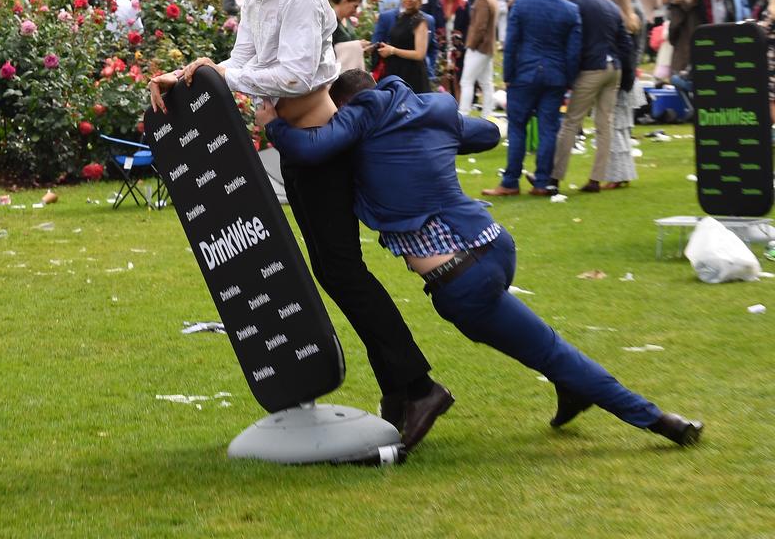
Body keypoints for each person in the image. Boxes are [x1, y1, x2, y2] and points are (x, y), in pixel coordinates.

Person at [258, 69, 704, 448]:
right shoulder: (428, 109)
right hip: (493, 244)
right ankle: (571, 389)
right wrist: (438, 132)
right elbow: (488, 133)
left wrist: (272, 124)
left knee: (547, 347)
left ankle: (659, 420)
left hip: (460, 277)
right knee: (532, 339)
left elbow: (310, 148)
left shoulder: (361, 121)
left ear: (349, 107)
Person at [150, 0, 445, 451]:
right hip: (296, 144)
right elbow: (241, 60)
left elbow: (295, 73)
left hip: (321, 145)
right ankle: (402, 388)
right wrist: (187, 73)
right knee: (335, 273)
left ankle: (419, 385)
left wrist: (224, 76)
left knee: (342, 271)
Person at [483, 0, 581, 197]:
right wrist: (568, 78)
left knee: (517, 128)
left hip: (524, 74)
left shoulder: (524, 3)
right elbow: (573, 50)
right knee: (548, 129)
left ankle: (510, 181)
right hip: (555, 75)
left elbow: (512, 41)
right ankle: (542, 181)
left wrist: (508, 75)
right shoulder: (570, 9)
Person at [549, 0, 634, 194]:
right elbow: (625, 44)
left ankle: (554, 177)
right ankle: (596, 178)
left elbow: (573, 41)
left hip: (591, 68)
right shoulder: (611, 6)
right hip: (614, 68)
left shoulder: (576, 4)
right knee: (604, 125)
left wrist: (569, 75)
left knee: (571, 122)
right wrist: (628, 77)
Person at [603, 0, 647, 189]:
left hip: (621, 79)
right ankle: (623, 173)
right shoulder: (635, 19)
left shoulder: (617, 22)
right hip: (631, 78)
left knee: (614, 129)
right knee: (622, 129)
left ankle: (618, 175)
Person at [372, 0, 432, 94]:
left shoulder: (420, 21)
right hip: (396, 70)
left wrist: (393, 50)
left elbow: (420, 54)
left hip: (412, 73)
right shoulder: (401, 17)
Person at [458, 0, 498, 117]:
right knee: (486, 83)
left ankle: (463, 113)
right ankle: (487, 114)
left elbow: (479, 27)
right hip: (487, 47)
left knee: (466, 81)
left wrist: (471, 45)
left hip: (479, 47)